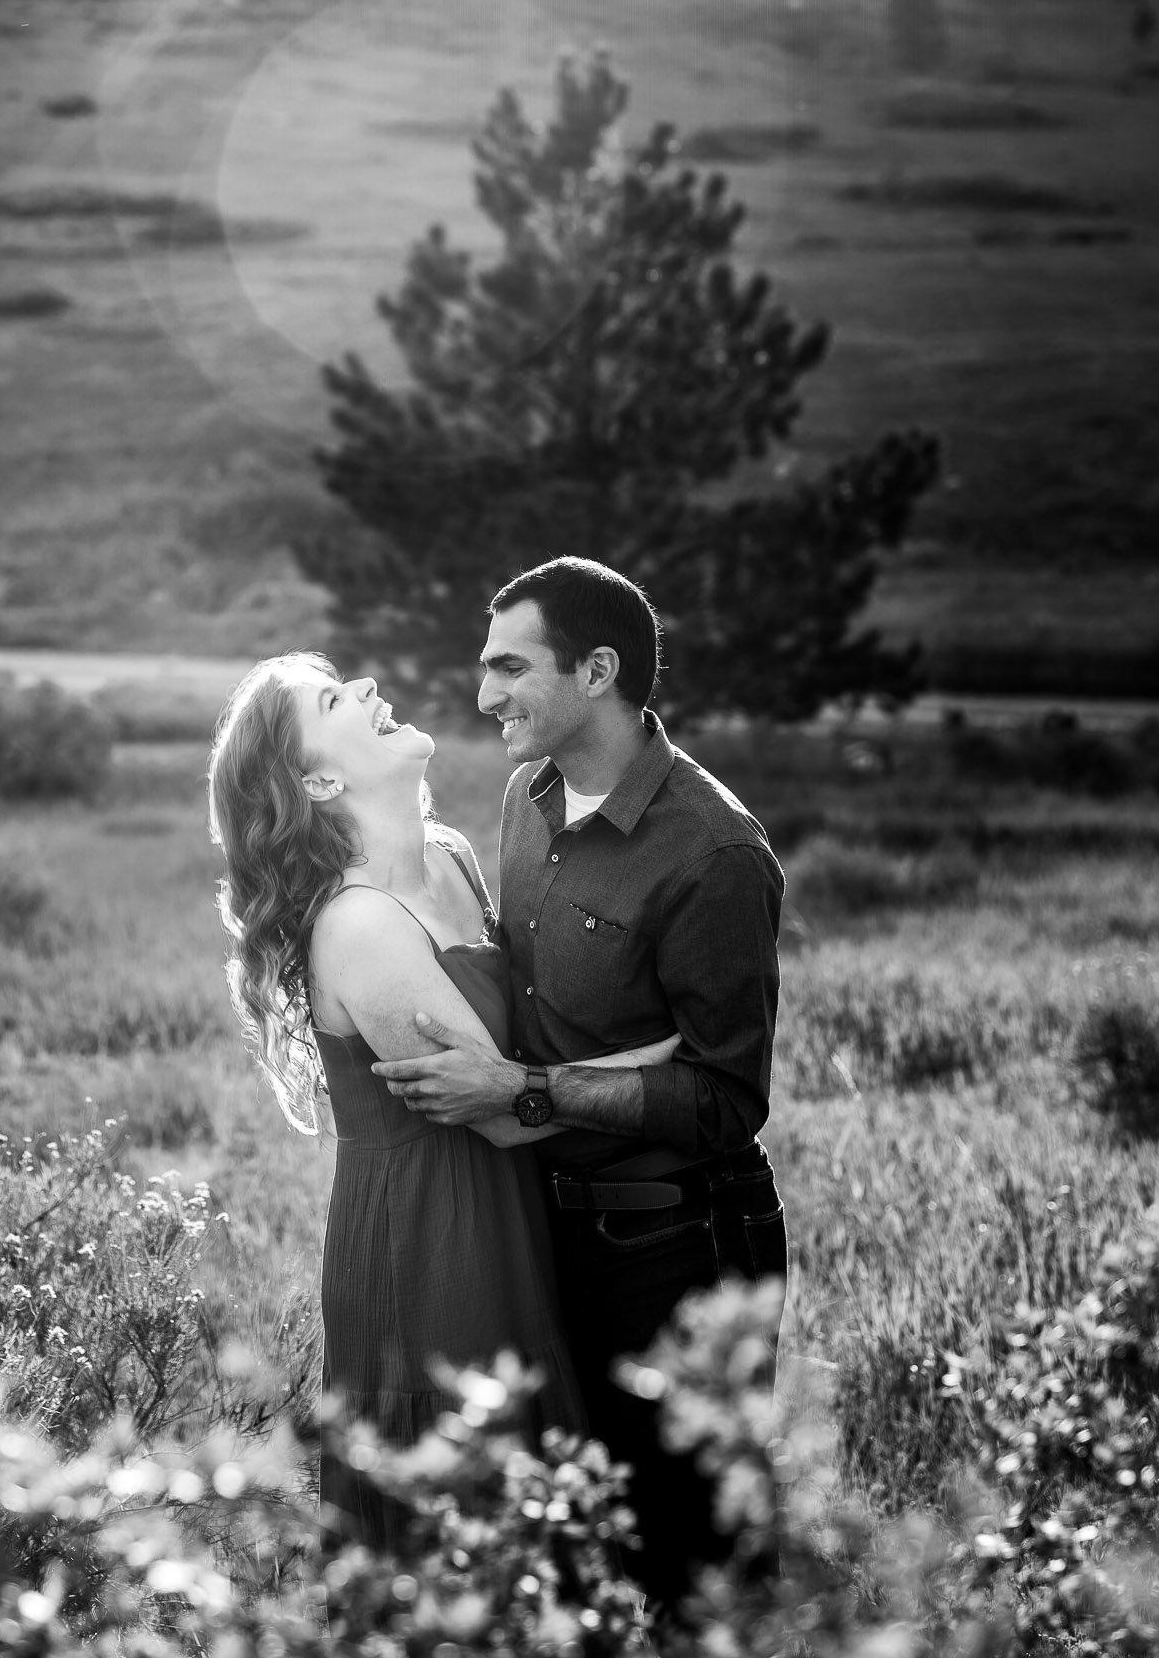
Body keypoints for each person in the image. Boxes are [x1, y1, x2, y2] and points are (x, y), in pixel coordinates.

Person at [374, 557, 787, 1610]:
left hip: (674, 1249)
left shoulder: (713, 853)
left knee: (696, 1567)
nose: (483, 695)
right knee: (572, 1550)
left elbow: (726, 1102)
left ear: (597, 670)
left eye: (510, 666)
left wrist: (524, 1090)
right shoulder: (527, 793)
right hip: (540, 1231)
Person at [208, 649, 675, 1548]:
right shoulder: (359, 926)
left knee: (535, 1504)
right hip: (430, 1240)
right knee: (466, 1513)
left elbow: (524, 1053)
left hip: (511, 1213)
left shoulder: (453, 858)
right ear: (320, 777)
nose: (374, 687)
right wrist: (679, 1054)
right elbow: (502, 1114)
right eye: (338, 699)